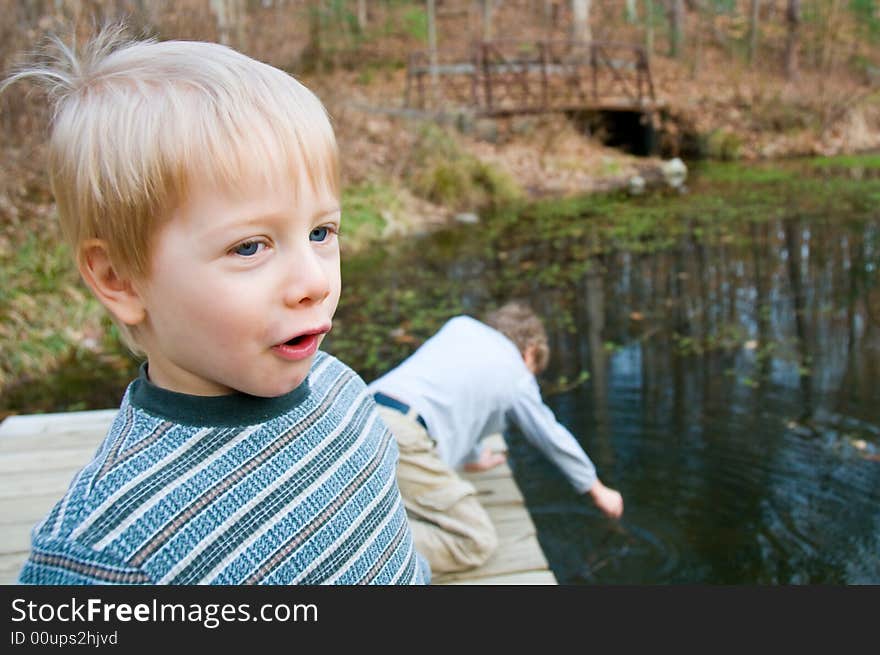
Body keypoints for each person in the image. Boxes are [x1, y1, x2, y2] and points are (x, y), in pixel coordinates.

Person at [5, 28, 429, 585]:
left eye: (322, 232)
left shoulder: (343, 391)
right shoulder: (105, 550)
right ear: (122, 280)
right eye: (249, 246)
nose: (313, 281)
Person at [368, 302, 624, 573]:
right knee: (474, 540)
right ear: (531, 352)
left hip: (362, 412)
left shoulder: (461, 326)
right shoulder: (515, 371)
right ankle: (359, 541)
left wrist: (474, 456)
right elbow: (549, 434)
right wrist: (595, 488)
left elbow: (464, 400)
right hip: (403, 437)